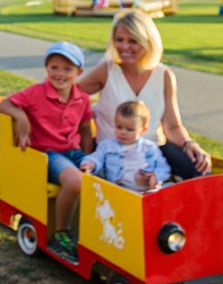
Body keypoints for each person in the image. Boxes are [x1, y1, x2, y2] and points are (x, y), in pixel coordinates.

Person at [79, 9, 211, 179]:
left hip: (152, 149)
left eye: (133, 41)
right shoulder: (107, 70)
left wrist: (190, 144)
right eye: (119, 40)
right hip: (113, 151)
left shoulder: (164, 75)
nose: (124, 47)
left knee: (200, 168)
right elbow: (70, 95)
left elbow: (172, 126)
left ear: (148, 42)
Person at [0, 42, 95, 261]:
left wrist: (90, 158)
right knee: (75, 181)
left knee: (104, 176)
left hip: (74, 152)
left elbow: (86, 130)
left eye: (67, 69)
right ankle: (61, 234)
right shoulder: (35, 93)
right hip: (48, 155)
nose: (60, 74)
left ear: (79, 72)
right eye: (54, 67)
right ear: (46, 68)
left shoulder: (82, 98)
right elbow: (2, 105)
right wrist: (21, 117)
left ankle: (97, 233)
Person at [81, 101, 171, 192]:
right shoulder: (107, 146)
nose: (123, 132)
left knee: (169, 188)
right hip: (117, 191)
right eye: (119, 127)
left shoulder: (149, 148)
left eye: (130, 129)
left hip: (144, 192)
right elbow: (97, 157)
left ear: (143, 130)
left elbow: (163, 167)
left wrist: (156, 176)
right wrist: (90, 163)